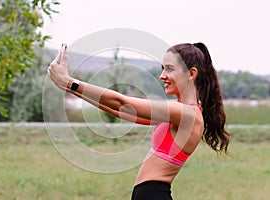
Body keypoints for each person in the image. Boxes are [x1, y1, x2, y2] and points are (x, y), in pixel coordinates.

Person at [47, 42, 231, 200]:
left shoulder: (187, 114)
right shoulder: (176, 113)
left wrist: (70, 82)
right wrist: (69, 88)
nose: (162, 76)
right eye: (162, 68)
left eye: (170, 69)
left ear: (191, 74)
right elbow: (119, 110)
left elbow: (121, 102)